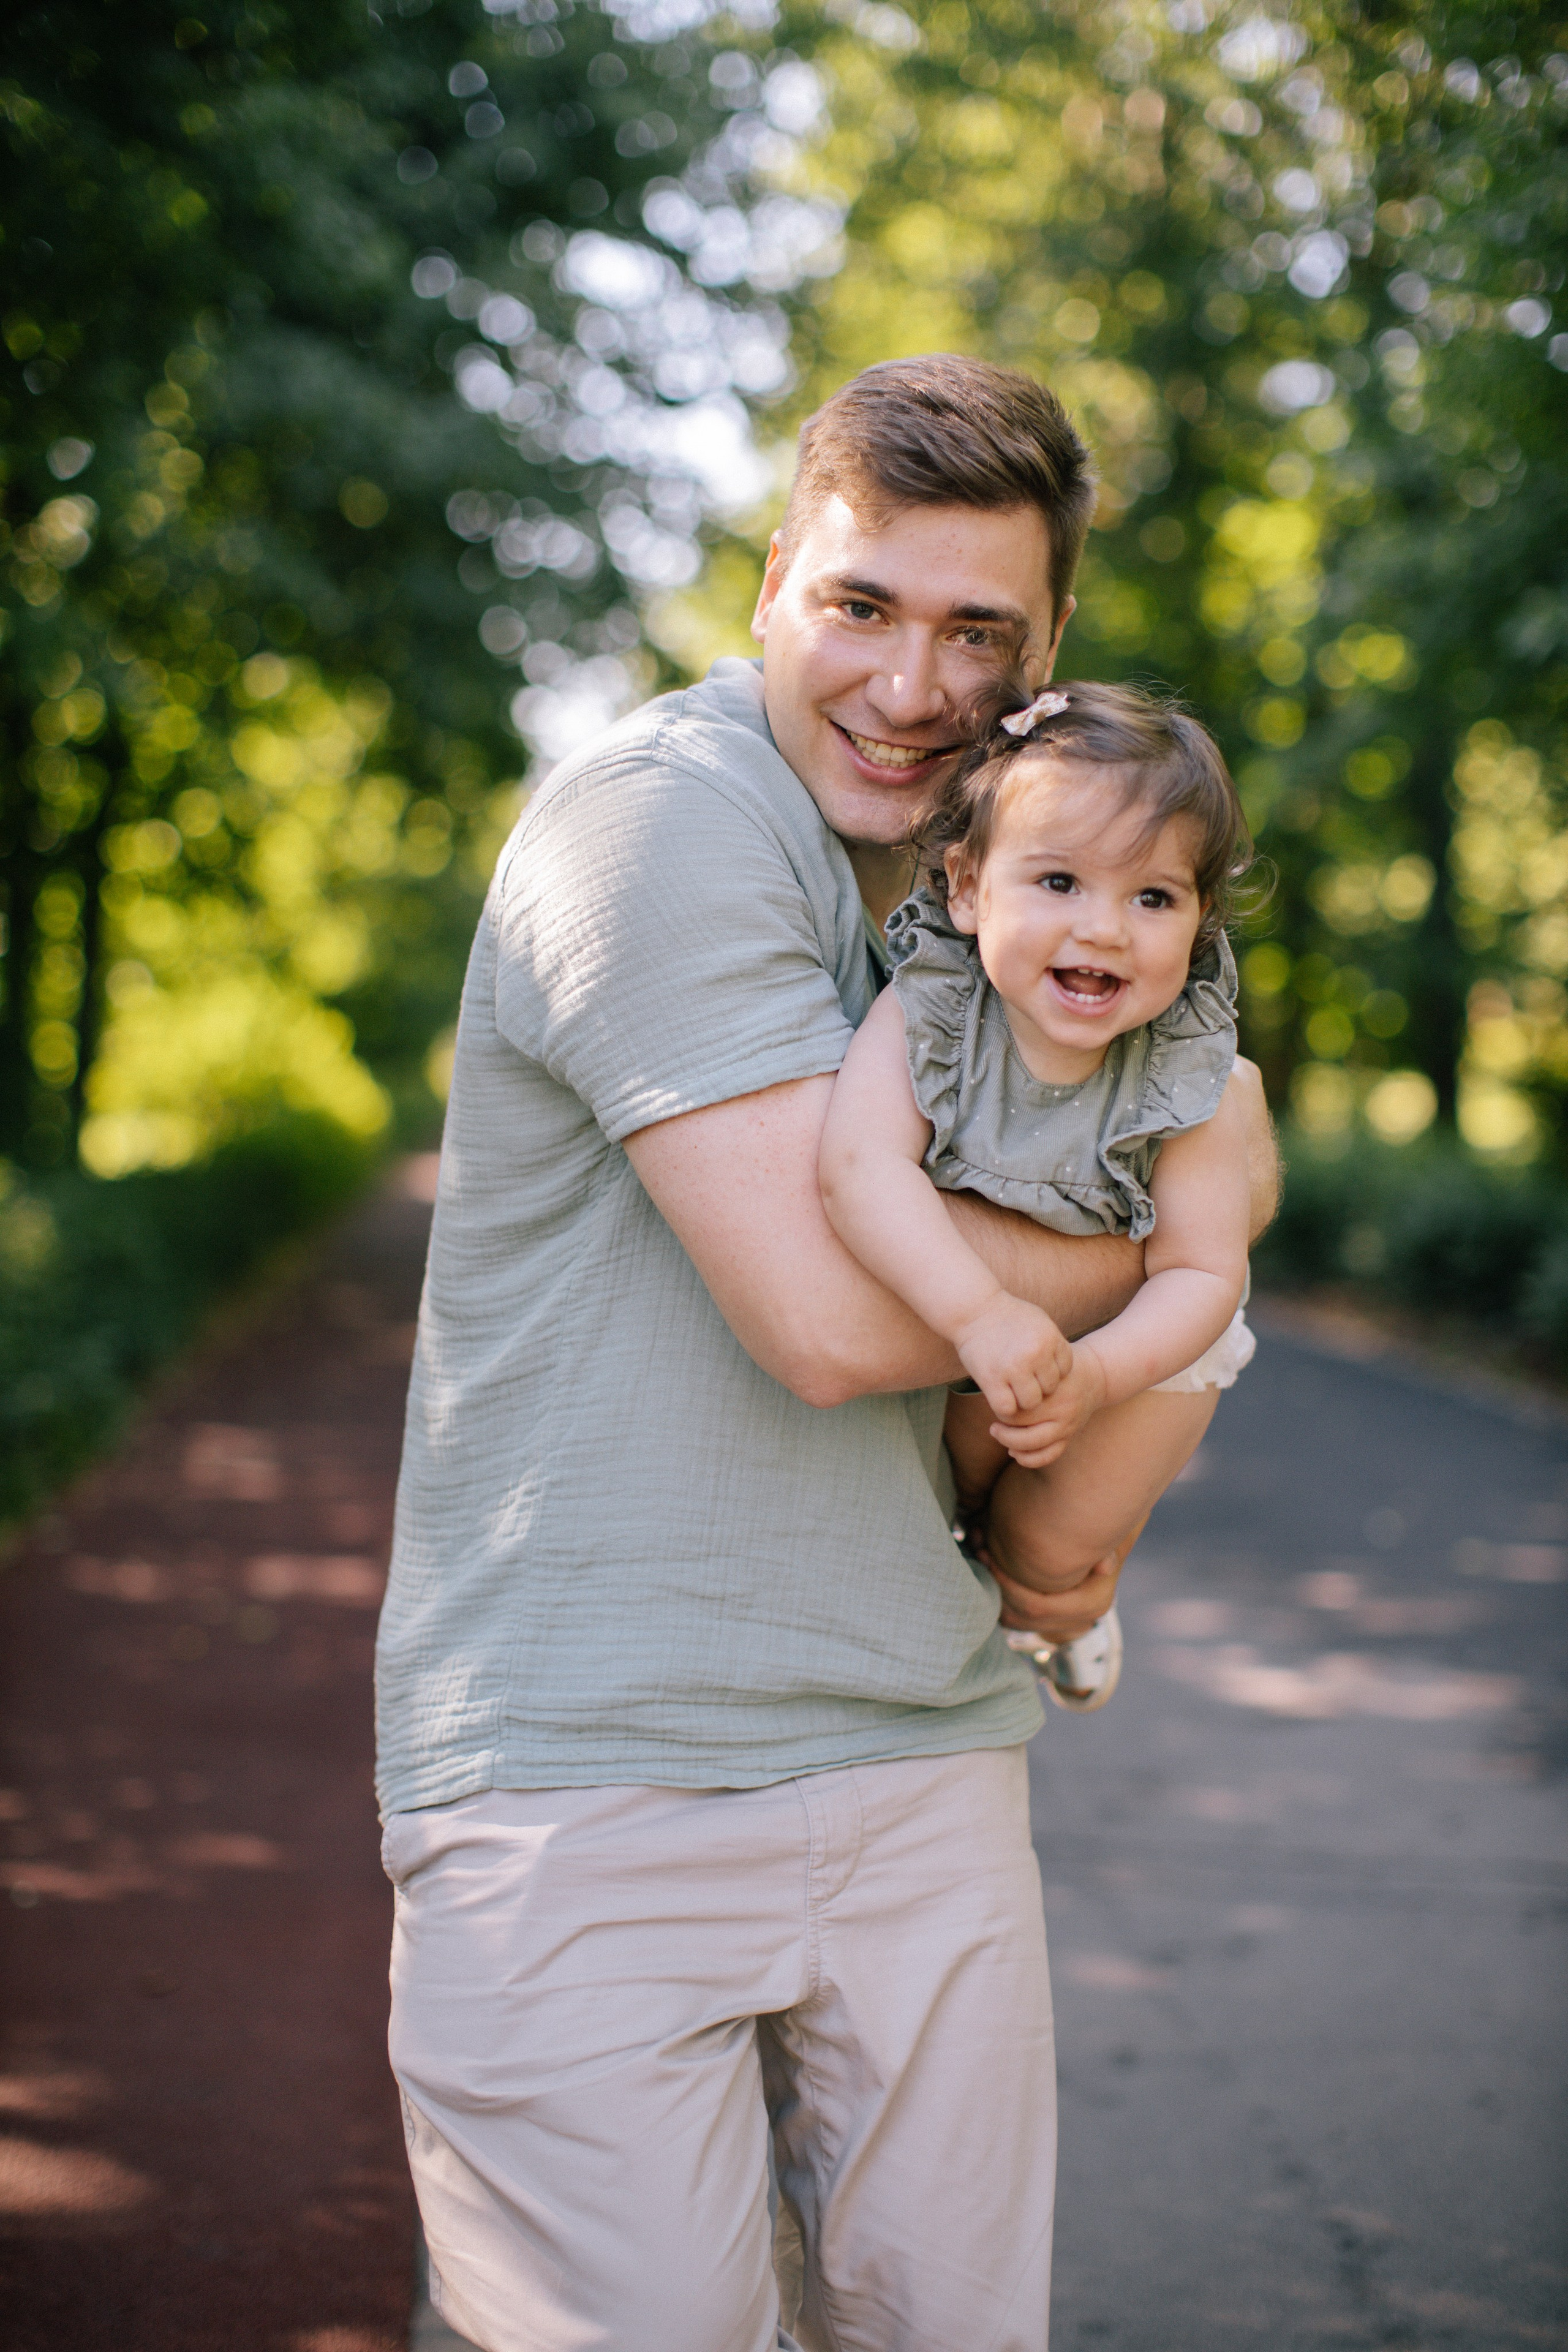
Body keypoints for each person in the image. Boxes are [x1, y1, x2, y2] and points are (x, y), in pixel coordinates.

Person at [375, 355, 1280, 2352]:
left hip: (923, 1741)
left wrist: (1163, 1303)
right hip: (590, 1777)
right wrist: (1186, 1241)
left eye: (981, 633)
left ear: (1047, 656)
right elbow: (824, 1320)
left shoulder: (1020, 895)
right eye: (861, 603)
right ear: (774, 580)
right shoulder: (660, 821)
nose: (910, 682)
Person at [819, 679, 1256, 1717]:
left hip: (1146, 1355)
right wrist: (979, 1314)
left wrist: (1096, 1376)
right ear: (969, 889)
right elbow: (860, 1167)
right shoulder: (933, 1010)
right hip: (985, 1323)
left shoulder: (1187, 1066)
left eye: (1154, 898)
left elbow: (1203, 1270)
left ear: (1199, 920)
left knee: (1041, 1551)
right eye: (1059, 881)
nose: (1105, 929)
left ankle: (1063, 1605)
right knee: (959, 1487)